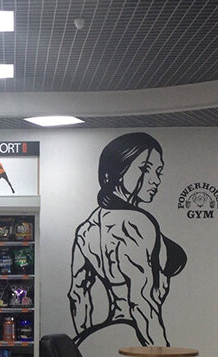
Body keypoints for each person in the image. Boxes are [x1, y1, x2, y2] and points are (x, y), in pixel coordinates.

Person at [68, 132, 186, 346]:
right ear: (117, 171)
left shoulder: (86, 229)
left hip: (110, 334)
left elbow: (78, 294)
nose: (155, 180)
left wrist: (85, 343)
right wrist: (162, 356)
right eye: (145, 169)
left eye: (158, 171)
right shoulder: (136, 224)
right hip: (139, 336)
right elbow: (142, 302)